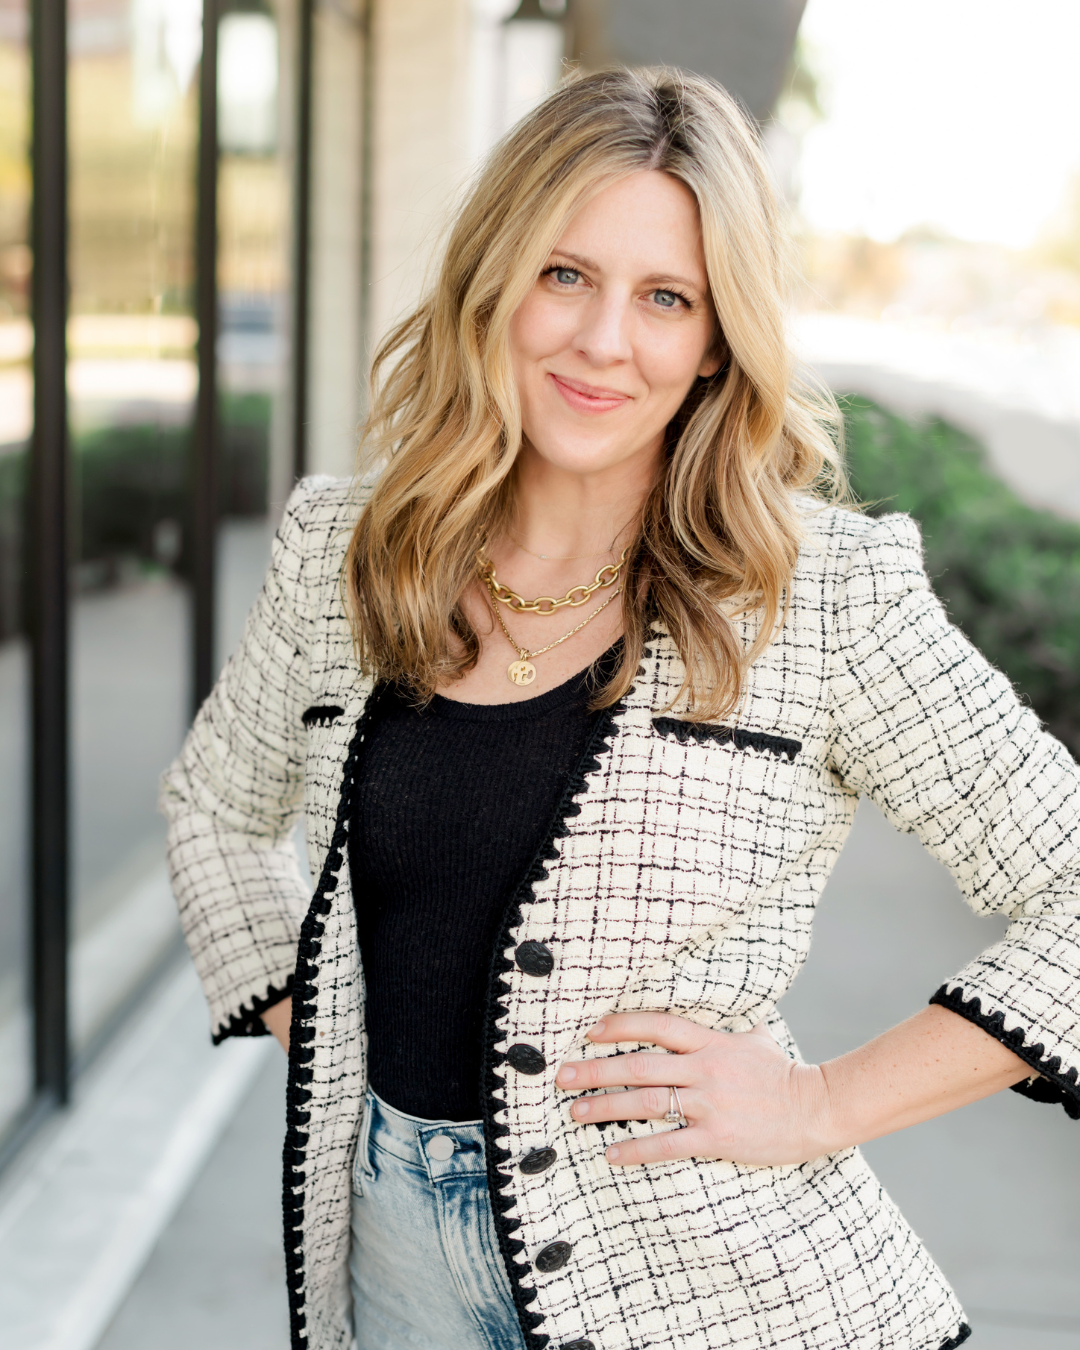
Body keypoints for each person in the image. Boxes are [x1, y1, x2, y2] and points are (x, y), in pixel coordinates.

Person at [162, 67, 1080, 1350]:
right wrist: (315, 1019)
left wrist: (821, 1105)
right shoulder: (342, 555)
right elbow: (212, 806)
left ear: (717, 340)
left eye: (666, 298)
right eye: (565, 274)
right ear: (495, 279)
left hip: (703, 1281)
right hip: (389, 1253)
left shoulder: (823, 596)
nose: (604, 340)